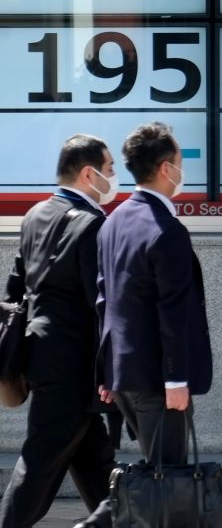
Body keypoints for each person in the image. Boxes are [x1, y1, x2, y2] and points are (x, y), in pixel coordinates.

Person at [76, 122, 212, 528]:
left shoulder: (112, 221)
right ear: (167, 168)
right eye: (181, 163)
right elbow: (173, 310)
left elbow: (105, 301)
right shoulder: (166, 230)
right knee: (166, 477)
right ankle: (100, 522)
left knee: (156, 471)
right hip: (157, 378)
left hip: (123, 374)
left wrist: (105, 372)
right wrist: (176, 380)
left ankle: (101, 519)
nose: (182, 171)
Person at [0, 135, 119, 528]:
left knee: (96, 461)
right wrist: (112, 368)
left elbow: (15, 288)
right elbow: (100, 303)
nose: (114, 176)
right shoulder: (93, 223)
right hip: (74, 364)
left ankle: (126, 520)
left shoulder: (35, 214)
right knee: (40, 461)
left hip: (42, 354)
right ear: (89, 174)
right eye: (109, 168)